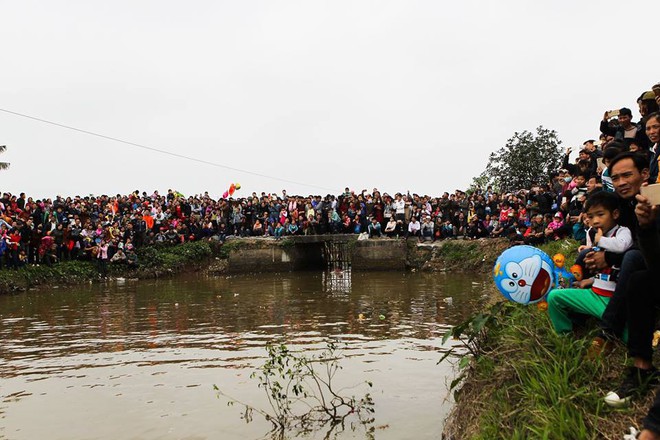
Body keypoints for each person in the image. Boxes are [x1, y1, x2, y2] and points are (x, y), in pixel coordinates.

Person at [546, 191, 632, 334]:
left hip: (613, 302)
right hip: (594, 294)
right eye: (591, 217)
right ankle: (566, 333)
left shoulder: (622, 232)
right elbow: (604, 271)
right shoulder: (596, 236)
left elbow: (621, 246)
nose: (595, 221)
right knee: (554, 297)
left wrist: (599, 240)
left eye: (600, 214)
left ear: (615, 214)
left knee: (628, 335)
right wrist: (589, 281)